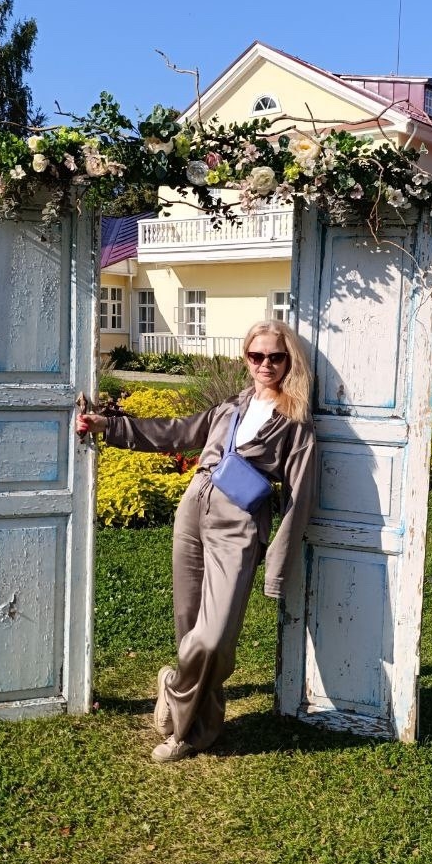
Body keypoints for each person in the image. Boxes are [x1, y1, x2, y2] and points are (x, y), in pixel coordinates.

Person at [76, 320, 317, 764]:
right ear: (246, 359)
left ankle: (174, 691)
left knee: (214, 638)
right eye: (256, 356)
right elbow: (177, 432)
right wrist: (108, 426)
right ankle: (197, 730)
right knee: (189, 625)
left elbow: (300, 498)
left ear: (290, 361)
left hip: (239, 526)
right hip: (193, 511)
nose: (265, 365)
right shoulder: (232, 406)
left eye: (275, 357)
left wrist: (278, 565)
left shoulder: (296, 422)